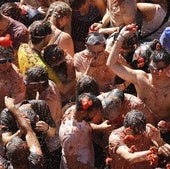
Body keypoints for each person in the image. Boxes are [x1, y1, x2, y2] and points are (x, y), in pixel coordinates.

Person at [106, 24, 170, 143]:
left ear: (168, 70)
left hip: (164, 134)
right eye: (152, 67)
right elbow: (111, 64)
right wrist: (120, 37)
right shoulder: (141, 79)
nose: (155, 72)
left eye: (159, 69)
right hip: (139, 130)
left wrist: (168, 125)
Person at [23, 66, 62, 169]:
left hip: (52, 145)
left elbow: (47, 128)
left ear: (38, 85)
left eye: (27, 83)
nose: (25, 84)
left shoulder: (48, 101)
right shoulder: (49, 83)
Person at [0, 99, 56, 169]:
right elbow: (30, 132)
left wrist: (47, 128)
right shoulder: (36, 161)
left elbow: (52, 133)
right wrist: (21, 131)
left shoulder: (5, 166)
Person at [59, 93, 103, 169]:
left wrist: (100, 127)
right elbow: (73, 165)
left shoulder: (74, 109)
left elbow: (85, 126)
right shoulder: (70, 135)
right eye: (94, 113)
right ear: (83, 113)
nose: (96, 115)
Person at [18, 20, 61, 86]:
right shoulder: (44, 68)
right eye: (51, 34)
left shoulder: (22, 47)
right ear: (46, 37)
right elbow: (63, 89)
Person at [0, 40, 26, 113]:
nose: (7, 64)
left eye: (10, 60)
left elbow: (16, 103)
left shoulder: (16, 77)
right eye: (2, 61)